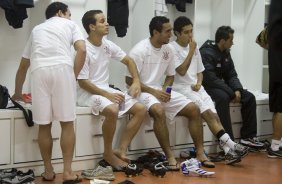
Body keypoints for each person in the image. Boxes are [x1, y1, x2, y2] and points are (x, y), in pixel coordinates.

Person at [126, 16, 215, 169]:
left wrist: (166, 91)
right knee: (158, 110)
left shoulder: (167, 49)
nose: (171, 34)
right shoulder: (139, 50)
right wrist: (154, 92)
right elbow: (129, 80)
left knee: (194, 108)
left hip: (159, 89)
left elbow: (170, 75)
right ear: (155, 32)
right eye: (167, 31)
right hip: (141, 90)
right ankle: (170, 156)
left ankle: (200, 152)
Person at [12, 2, 86, 183]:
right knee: (67, 123)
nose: (70, 17)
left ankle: (48, 172)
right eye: (69, 14)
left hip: (39, 73)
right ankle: (68, 172)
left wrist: (17, 93)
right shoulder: (70, 24)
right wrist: (73, 76)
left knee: (44, 125)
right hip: (62, 69)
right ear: (61, 12)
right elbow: (82, 49)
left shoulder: (37, 29)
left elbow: (23, 66)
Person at [169, 16, 248, 164]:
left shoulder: (194, 46)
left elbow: (200, 70)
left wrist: (199, 82)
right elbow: (180, 71)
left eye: (191, 31)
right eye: (186, 32)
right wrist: (191, 51)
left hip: (197, 88)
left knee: (214, 115)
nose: (190, 35)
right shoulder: (172, 48)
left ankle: (228, 152)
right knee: (207, 113)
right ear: (177, 33)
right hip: (181, 89)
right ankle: (232, 145)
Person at [77, 10, 146, 170]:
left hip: (104, 90)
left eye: (106, 20)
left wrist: (136, 81)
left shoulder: (107, 44)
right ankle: (107, 154)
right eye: (102, 21)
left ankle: (120, 149)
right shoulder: (83, 49)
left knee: (141, 109)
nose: (107, 23)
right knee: (113, 110)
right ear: (92, 26)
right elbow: (82, 82)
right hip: (87, 92)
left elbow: (129, 60)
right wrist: (108, 94)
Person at [199, 26, 265, 150]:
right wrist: (231, 92)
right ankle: (228, 141)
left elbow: (232, 74)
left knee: (249, 97)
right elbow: (211, 79)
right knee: (223, 98)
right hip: (209, 86)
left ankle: (248, 137)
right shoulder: (205, 53)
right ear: (223, 41)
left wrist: (237, 90)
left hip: (222, 85)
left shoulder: (226, 52)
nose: (233, 43)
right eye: (231, 40)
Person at [267, 0, 282, 158]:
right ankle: (275, 146)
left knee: (279, 107)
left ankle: (278, 144)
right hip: (280, 67)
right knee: (280, 108)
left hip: (276, 65)